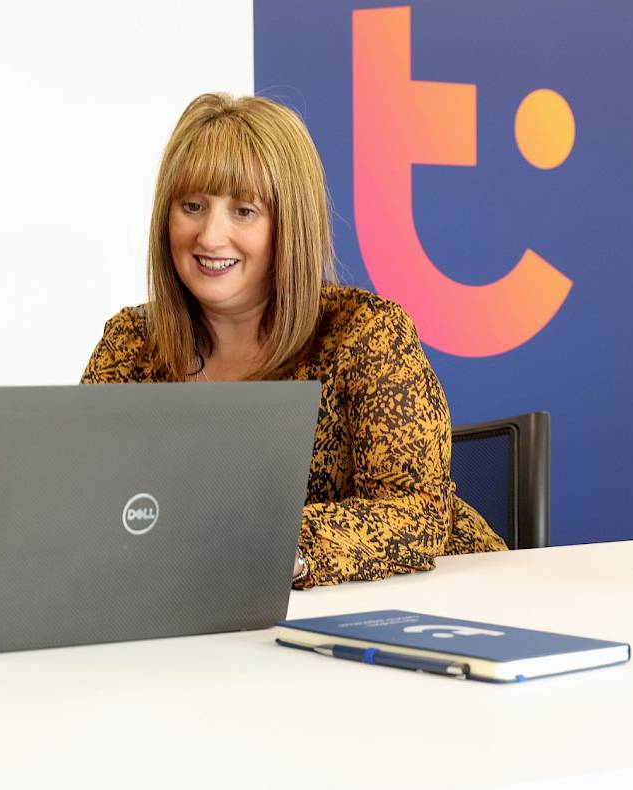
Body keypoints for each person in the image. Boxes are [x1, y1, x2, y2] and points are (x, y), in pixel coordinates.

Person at [80, 93, 506, 589]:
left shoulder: (367, 334)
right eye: (192, 207)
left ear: (291, 225)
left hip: (439, 602)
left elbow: (420, 514)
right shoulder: (131, 344)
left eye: (243, 211)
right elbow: (88, 505)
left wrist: (273, 548)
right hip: (218, 617)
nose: (210, 237)